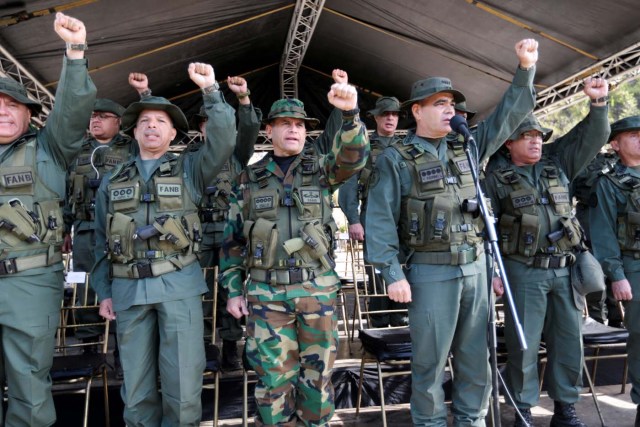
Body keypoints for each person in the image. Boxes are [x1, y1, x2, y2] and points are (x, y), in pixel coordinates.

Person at [364, 39, 539, 426]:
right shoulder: (395, 159)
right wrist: (392, 274)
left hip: (475, 267)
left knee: (477, 357)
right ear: (417, 111)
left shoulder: (468, 146)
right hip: (430, 271)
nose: (449, 111)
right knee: (430, 361)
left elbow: (508, 115)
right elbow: (378, 219)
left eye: (451, 104)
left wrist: (525, 68)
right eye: (439, 104)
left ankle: (472, 421)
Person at [91, 62, 235, 426]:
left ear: (174, 134)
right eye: (144, 121)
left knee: (183, 383)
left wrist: (211, 91)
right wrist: (104, 289)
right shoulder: (112, 180)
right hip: (127, 290)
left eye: (160, 121)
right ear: (134, 132)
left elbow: (224, 139)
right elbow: (99, 239)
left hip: (178, 287)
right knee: (136, 388)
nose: (152, 126)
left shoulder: (191, 169)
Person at [220, 75, 369, 426]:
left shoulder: (321, 170)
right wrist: (231, 291)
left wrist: (349, 117)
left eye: (300, 125)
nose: (294, 130)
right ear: (268, 130)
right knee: (273, 382)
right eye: (285, 124)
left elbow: (354, 156)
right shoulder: (248, 180)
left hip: (316, 291)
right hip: (265, 294)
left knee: (317, 381)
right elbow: (231, 242)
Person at [486, 77, 610, 427]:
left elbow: (591, 138)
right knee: (523, 344)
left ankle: (566, 408)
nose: (536, 142)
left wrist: (598, 106)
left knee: (569, 343)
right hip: (522, 270)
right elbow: (486, 229)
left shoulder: (558, 166)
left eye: (539, 137)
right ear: (508, 143)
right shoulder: (495, 178)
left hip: (565, 271)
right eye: (528, 137)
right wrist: (493, 272)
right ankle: (523, 409)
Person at [0, 12, 96, 426]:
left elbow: (74, 112)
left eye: (12, 105)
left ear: (28, 114)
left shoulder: (48, 149)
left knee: (28, 383)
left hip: (28, 282)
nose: (3, 112)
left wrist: (74, 53)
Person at [128, 73, 262, 370]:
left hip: (229, 232)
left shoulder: (236, 154)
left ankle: (230, 344)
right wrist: (145, 94)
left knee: (231, 288)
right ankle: (201, 343)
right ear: (201, 128)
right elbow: (148, 135)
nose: (211, 127)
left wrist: (243, 98)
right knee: (196, 289)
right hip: (196, 233)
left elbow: (250, 129)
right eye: (206, 123)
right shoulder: (186, 159)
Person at [63, 98, 135, 356]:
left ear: (118, 122)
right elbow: (66, 191)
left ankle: (120, 348)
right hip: (85, 230)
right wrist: (64, 229)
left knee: (121, 281)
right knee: (84, 284)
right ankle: (88, 345)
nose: (95, 120)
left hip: (121, 230)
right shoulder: (77, 150)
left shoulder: (131, 148)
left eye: (103, 116)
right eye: (93, 116)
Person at [338, 95, 408, 327]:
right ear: (376, 117)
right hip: (374, 218)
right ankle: (379, 323)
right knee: (377, 273)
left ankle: (400, 322)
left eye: (395, 114)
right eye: (385, 114)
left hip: (405, 220)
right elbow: (349, 184)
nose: (390, 118)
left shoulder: (407, 146)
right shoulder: (364, 146)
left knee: (405, 269)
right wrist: (354, 220)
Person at [588, 115, 640, 427]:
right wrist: (617, 275)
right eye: (633, 135)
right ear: (616, 144)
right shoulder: (609, 184)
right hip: (635, 268)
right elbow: (604, 233)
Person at [572, 149, 620, 325]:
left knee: (617, 271)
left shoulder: (615, 158)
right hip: (589, 220)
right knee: (593, 274)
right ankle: (597, 320)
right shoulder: (579, 160)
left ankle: (617, 319)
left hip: (616, 220)